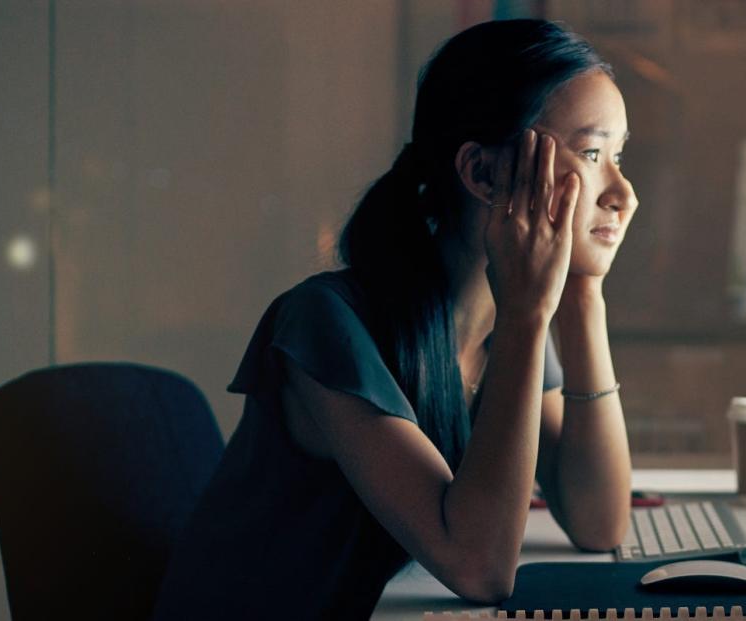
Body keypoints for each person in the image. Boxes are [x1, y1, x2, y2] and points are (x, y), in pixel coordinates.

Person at [151, 19, 638, 619]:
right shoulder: (326, 323)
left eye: (618, 156)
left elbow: (601, 521)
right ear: (483, 174)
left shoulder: (504, 327)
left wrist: (584, 293)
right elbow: (480, 569)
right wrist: (530, 314)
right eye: (592, 154)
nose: (623, 192)